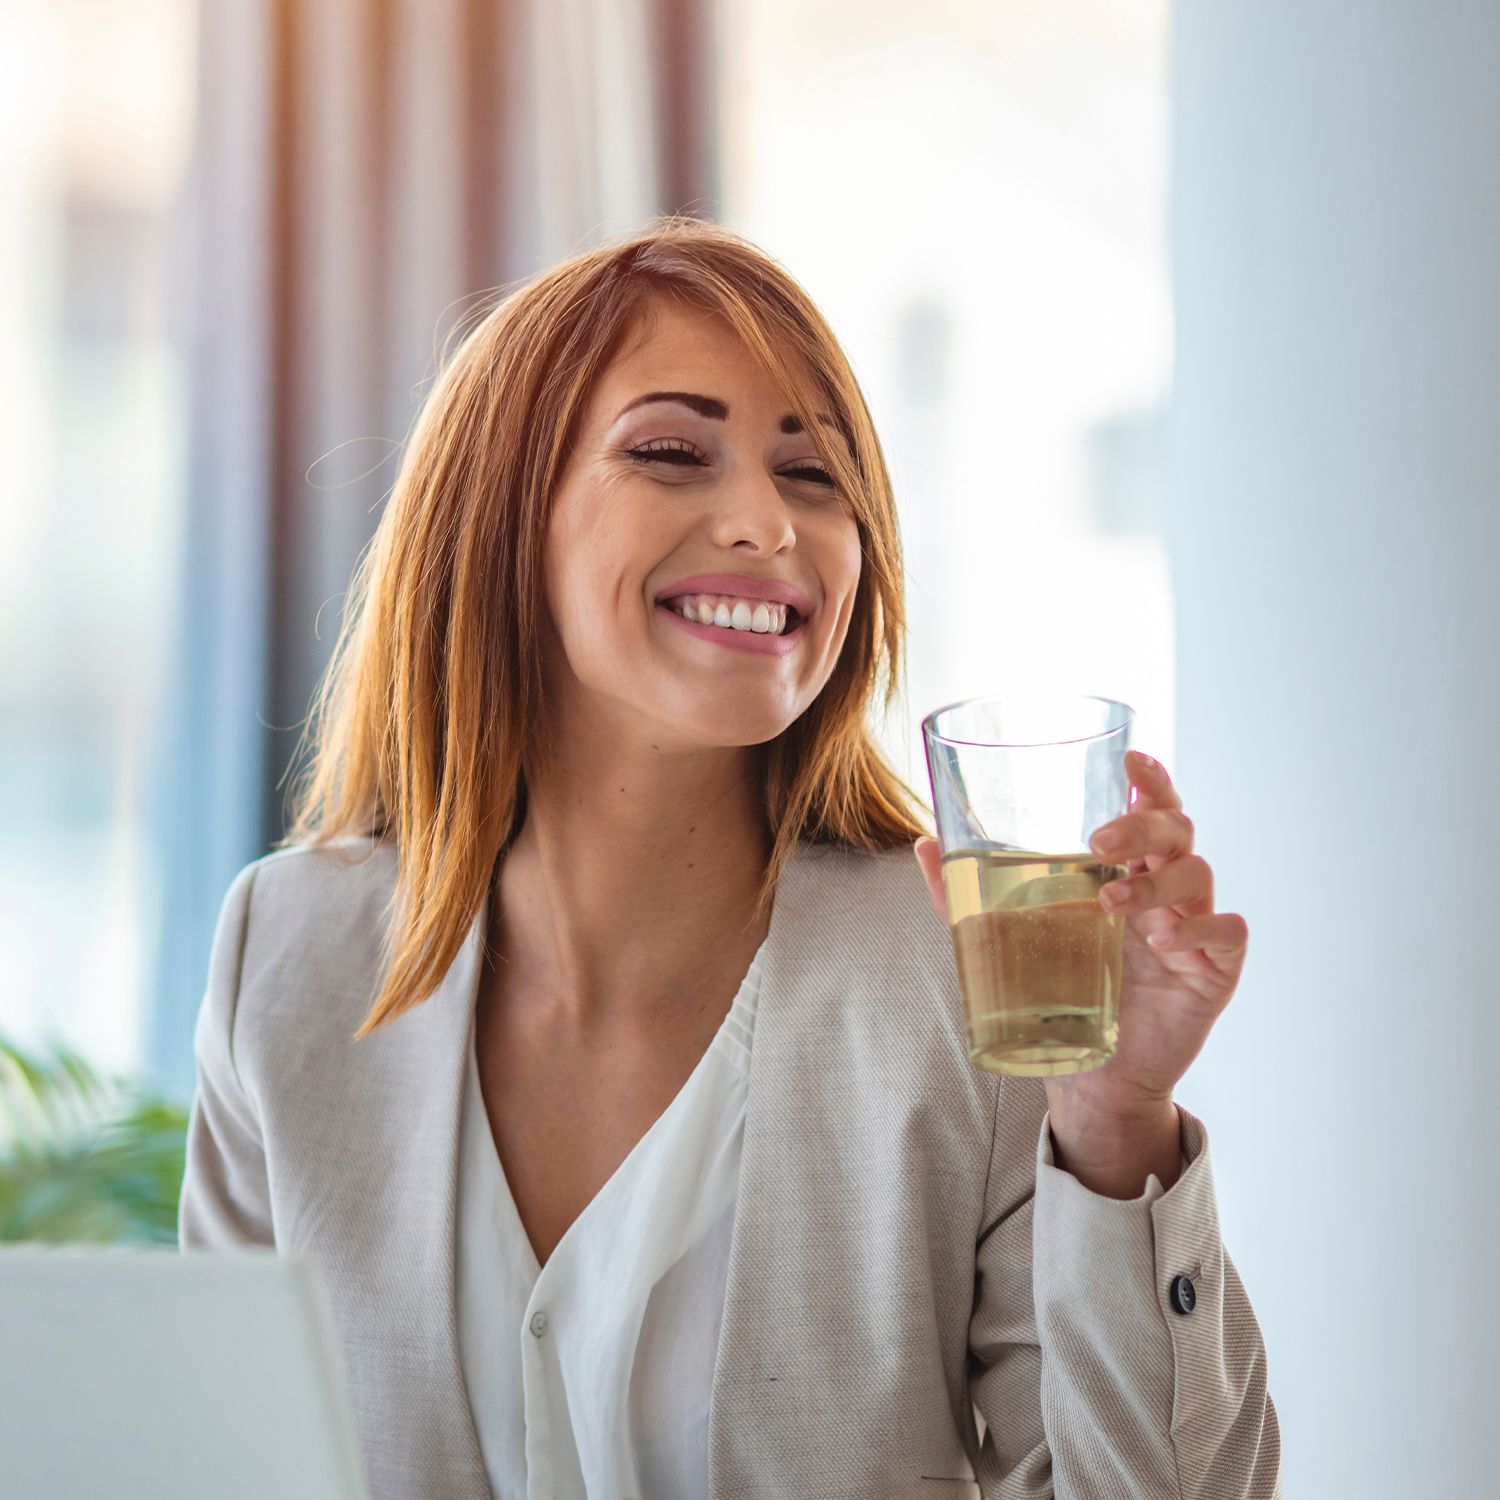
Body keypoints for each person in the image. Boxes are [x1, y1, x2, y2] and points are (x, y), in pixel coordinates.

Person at [178, 215, 1281, 1500]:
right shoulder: (289, 952)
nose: (766, 523)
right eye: (670, 453)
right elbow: (219, 1463)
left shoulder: (971, 979)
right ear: (498, 519)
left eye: (815, 477)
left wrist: (1113, 1125)